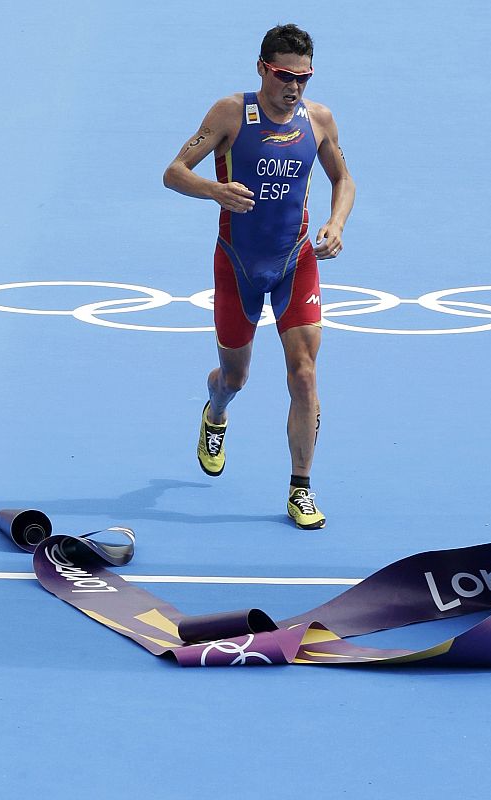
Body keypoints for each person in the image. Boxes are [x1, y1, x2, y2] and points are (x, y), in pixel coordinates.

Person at [163, 23, 355, 530]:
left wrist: (335, 223)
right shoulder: (230, 113)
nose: (294, 86)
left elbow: (343, 179)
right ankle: (216, 414)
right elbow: (175, 171)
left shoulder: (319, 120)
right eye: (284, 75)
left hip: (296, 261)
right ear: (262, 68)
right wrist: (214, 190)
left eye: (304, 77)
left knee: (305, 373)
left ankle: (301, 489)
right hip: (238, 266)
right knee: (234, 377)